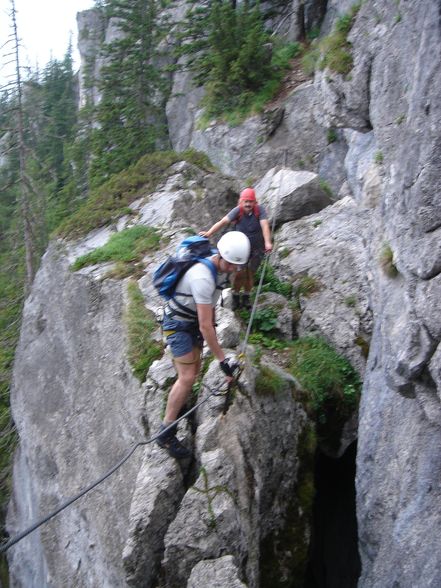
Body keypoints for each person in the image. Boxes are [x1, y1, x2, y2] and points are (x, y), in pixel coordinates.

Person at [156, 231, 251, 459]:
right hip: (179, 326)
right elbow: (205, 326)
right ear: (222, 256)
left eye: (237, 266)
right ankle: (166, 432)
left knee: (193, 372)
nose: (234, 269)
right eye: (232, 265)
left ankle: (179, 407)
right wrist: (222, 361)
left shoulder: (217, 264)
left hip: (187, 323)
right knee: (187, 377)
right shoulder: (202, 278)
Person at [199, 187, 272, 310]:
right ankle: (236, 295)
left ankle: (246, 297)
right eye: (246, 201)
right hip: (241, 250)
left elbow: (264, 226)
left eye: (250, 201)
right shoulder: (237, 211)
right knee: (239, 274)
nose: (248, 204)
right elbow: (223, 222)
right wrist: (209, 233)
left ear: (255, 202)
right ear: (241, 202)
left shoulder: (260, 211)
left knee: (250, 274)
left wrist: (267, 242)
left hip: (256, 250)